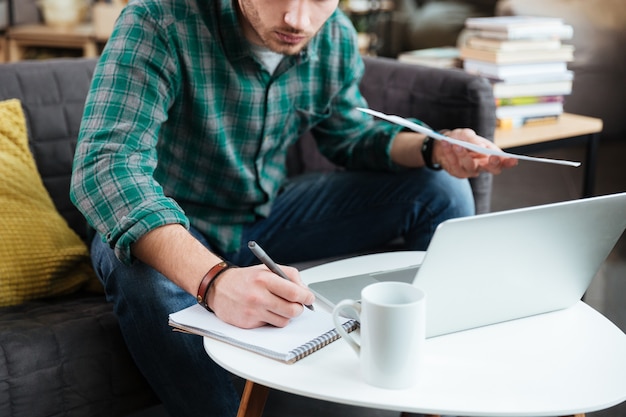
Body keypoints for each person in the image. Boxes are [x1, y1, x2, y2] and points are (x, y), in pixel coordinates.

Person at [70, 0, 517, 416]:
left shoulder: (332, 34)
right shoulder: (158, 21)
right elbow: (105, 166)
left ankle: (433, 388)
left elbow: (349, 134)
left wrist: (435, 149)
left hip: (267, 214)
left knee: (441, 190)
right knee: (142, 273)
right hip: (173, 227)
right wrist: (213, 280)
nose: (298, 21)